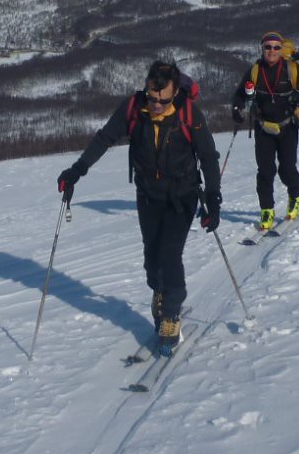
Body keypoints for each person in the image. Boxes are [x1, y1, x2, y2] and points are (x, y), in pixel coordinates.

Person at [57, 59, 221, 348]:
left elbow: (208, 156)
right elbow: (105, 138)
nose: (156, 104)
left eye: (163, 99)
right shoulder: (134, 108)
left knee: (170, 256)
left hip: (182, 194)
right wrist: (77, 170)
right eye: (152, 97)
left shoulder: (188, 113)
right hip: (148, 194)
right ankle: (159, 291)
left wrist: (213, 198)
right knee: (152, 258)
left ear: (174, 94)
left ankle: (171, 313)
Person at [232, 32, 299, 231]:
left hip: (287, 126)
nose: (272, 51)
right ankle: (267, 210)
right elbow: (240, 95)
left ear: (281, 49)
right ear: (262, 49)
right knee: (265, 171)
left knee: (286, 169)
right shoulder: (255, 70)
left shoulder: (291, 69)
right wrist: (236, 111)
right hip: (263, 127)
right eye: (268, 47)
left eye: (276, 47)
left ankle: (295, 195)